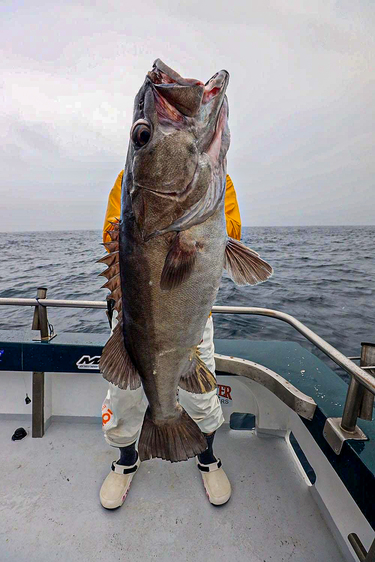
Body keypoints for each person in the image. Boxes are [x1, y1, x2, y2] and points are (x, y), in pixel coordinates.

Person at [100, 170, 241, 509]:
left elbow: (228, 234)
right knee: (124, 397)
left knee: (203, 396)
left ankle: (207, 457)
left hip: (191, 319)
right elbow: (111, 236)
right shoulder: (129, 178)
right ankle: (126, 459)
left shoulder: (219, 181)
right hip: (136, 319)